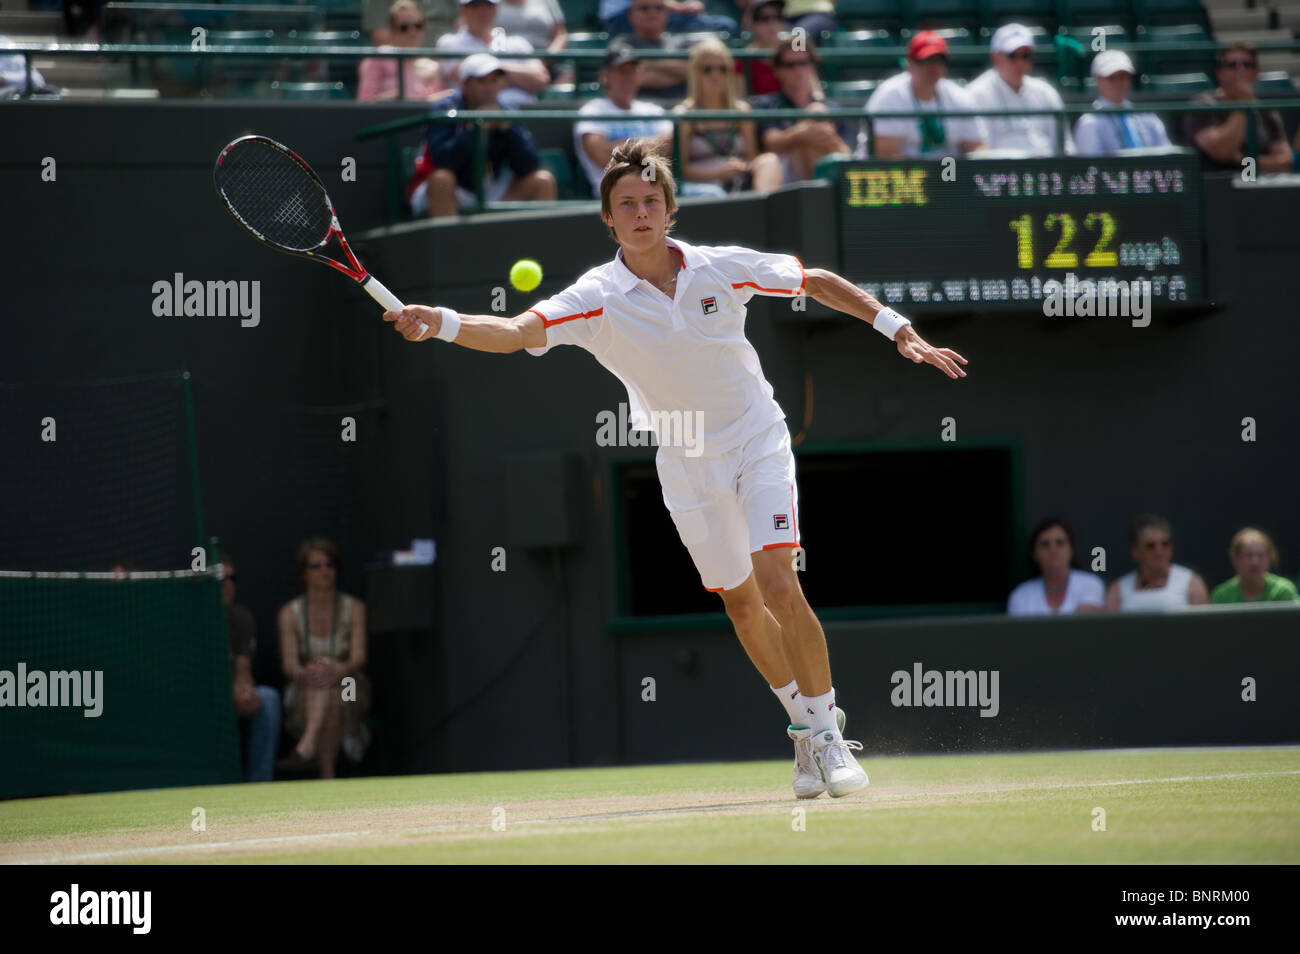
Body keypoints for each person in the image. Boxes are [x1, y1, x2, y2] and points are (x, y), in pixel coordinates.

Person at [382, 137, 968, 799]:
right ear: (607, 217)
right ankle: (805, 729)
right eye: (626, 204)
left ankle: (830, 738)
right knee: (743, 608)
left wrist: (897, 327)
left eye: (650, 202)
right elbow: (518, 332)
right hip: (685, 462)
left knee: (780, 583)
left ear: (669, 211)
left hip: (756, 437)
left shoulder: (719, 268)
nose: (639, 213)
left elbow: (815, 281)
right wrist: (444, 323)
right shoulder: (595, 296)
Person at [409, 53, 557, 217]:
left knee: (542, 181)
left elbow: (529, 165)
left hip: (490, 189)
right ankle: (450, 242)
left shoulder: (507, 111)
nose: (489, 87)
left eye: (494, 80)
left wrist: (509, 130)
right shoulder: (444, 109)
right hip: (450, 190)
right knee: (442, 180)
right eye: (481, 81)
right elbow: (443, 162)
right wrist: (475, 130)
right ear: (465, 84)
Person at [277, 538, 371, 779]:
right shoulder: (290, 613)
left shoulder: (355, 608)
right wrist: (306, 672)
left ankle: (307, 747)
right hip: (305, 690)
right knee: (323, 685)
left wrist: (338, 669)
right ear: (303, 573)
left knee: (333, 688)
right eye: (316, 566)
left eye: (329, 565)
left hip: (349, 685)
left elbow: (359, 657)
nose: (324, 571)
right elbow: (289, 666)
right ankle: (328, 777)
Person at [673, 38, 782, 196]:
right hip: (703, 189)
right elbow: (680, 171)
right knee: (714, 193)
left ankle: (766, 215)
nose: (715, 75)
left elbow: (752, 158)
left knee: (769, 160)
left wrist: (741, 166)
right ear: (695, 73)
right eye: (708, 69)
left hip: (739, 182)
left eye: (722, 69)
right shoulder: (684, 114)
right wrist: (718, 173)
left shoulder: (742, 111)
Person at [866, 31, 988, 158]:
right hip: (906, 175)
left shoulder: (959, 96)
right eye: (926, 60)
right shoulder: (889, 96)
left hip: (950, 174)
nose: (933, 67)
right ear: (910, 63)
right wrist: (930, 174)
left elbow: (977, 145)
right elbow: (885, 154)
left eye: (939, 61)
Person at [573, 43, 674, 195]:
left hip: (657, 193)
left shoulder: (652, 110)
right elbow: (601, 155)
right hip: (614, 197)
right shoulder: (591, 111)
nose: (628, 77)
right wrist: (649, 147)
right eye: (622, 71)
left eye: (632, 71)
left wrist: (620, 147)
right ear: (605, 76)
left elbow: (669, 146)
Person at [749, 36, 852, 183]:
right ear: (777, 70)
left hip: (825, 173)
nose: (798, 70)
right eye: (789, 65)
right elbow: (771, 143)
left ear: (812, 66)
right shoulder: (766, 104)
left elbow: (847, 155)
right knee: (815, 116)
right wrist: (804, 132)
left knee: (818, 113)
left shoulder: (832, 107)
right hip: (783, 177)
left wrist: (829, 137)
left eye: (803, 63)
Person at [965, 23, 1073, 156]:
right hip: (1000, 172)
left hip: (1046, 169)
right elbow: (979, 151)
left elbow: (1066, 145)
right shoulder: (975, 94)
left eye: (1025, 55)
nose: (1020, 62)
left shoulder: (1045, 92)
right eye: (1012, 55)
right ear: (995, 57)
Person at [1182, 43, 1291, 173]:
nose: (1240, 69)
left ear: (1256, 74)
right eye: (1232, 65)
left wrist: (1241, 159)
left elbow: (1285, 163)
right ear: (1219, 74)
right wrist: (1243, 105)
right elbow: (1221, 151)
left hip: (1259, 186)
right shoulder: (1202, 104)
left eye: (1247, 64)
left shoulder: (1265, 111)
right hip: (1215, 185)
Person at [222, 555, 282, 783]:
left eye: (232, 578)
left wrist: (244, 691)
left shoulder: (241, 618)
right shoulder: (188, 619)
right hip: (200, 700)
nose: (227, 584)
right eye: (220, 578)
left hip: (230, 698)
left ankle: (260, 784)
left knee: (267, 698)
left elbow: (243, 667)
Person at [435, 0, 550, 108]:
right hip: (474, 119)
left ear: (497, 9)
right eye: (475, 5)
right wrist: (522, 79)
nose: (483, 11)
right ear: (463, 9)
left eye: (489, 5)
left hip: (522, 119)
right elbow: (471, 82)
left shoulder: (518, 43)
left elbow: (541, 79)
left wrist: (497, 71)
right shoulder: (449, 43)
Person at [1073, 50, 1171, 156]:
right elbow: (1092, 166)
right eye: (1111, 77)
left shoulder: (1148, 117)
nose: (1118, 82)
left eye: (1123, 76)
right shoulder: (1089, 122)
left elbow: (1166, 154)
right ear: (1098, 80)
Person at [1105, 514, 1210, 611]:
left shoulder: (1192, 583)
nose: (1159, 551)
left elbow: (1203, 627)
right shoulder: (1117, 590)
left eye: (1165, 544)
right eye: (1150, 546)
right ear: (1135, 551)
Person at [1006, 518, 1104, 615]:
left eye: (1060, 543)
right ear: (1034, 554)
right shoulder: (1021, 595)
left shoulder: (1090, 584)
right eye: (1045, 544)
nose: (1053, 549)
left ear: (1071, 550)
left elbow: (1083, 626)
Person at [357, 0, 447, 102]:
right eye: (404, 27)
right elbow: (365, 101)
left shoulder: (431, 67)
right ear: (392, 31)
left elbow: (432, 106)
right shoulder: (378, 57)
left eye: (418, 26)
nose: (412, 32)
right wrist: (395, 97)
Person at [609, 0, 691, 100]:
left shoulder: (682, 42)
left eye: (659, 8)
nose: (652, 13)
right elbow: (628, 80)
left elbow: (695, 72)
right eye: (644, 8)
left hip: (681, 110)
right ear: (630, 15)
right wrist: (678, 73)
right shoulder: (622, 43)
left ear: (667, 13)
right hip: (638, 111)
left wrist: (652, 64)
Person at [1210, 528, 1300, 603]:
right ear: (1234, 559)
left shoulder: (1283, 591)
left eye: (1260, 555)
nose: (1255, 562)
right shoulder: (1221, 595)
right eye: (1248, 555)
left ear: (1270, 557)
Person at [600, 0, 736, 39]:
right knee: (723, 26)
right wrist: (681, 7)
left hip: (617, 20)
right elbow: (648, 3)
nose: (653, 13)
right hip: (620, 20)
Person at [734, 0, 785, 98]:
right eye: (764, 18)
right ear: (751, 23)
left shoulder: (796, 54)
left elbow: (814, 92)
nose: (772, 23)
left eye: (778, 16)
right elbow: (740, 99)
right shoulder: (744, 60)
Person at [495, 0, 568, 60]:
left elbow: (560, 34)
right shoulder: (490, 3)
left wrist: (549, 57)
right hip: (503, 61)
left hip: (546, 62)